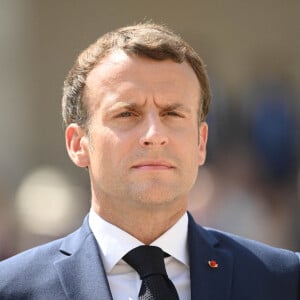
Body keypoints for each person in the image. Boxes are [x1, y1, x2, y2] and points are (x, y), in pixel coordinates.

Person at [0, 22, 299, 300]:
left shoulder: (283, 281)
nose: (155, 134)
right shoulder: (13, 289)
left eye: (172, 113)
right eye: (127, 114)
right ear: (78, 144)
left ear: (201, 142)